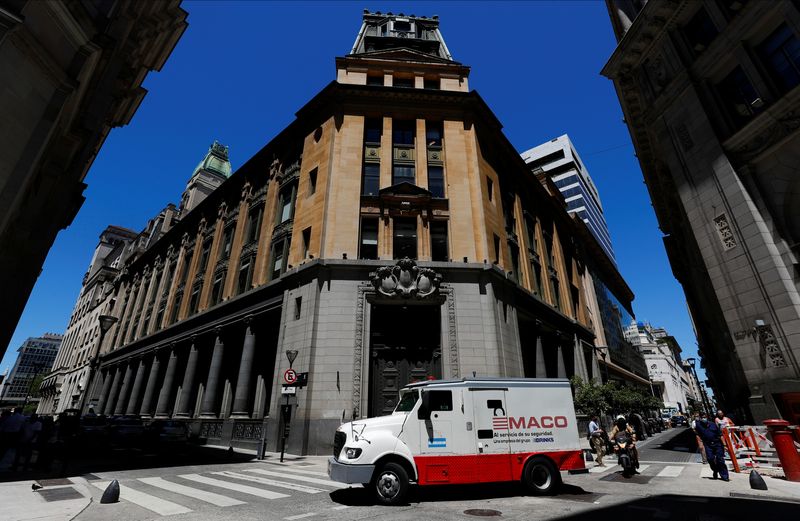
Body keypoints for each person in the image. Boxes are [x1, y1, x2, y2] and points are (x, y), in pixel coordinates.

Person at [695, 412, 729, 481]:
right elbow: (697, 435)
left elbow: (720, 435)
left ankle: (724, 476)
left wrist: (725, 445)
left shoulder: (713, 425)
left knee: (720, 460)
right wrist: (700, 443)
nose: (704, 419)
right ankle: (715, 470)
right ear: (700, 418)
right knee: (710, 459)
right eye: (702, 417)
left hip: (717, 444)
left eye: (705, 417)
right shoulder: (698, 425)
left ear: (707, 417)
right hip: (708, 445)